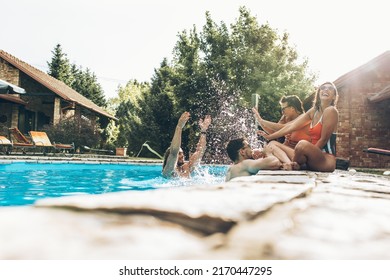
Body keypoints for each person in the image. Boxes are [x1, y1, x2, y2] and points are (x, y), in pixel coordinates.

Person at [257, 82, 339, 172]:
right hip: (308, 156)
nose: (326, 89)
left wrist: (307, 154)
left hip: (325, 159)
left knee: (302, 144)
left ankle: (294, 163)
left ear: (334, 97)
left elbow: (323, 140)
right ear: (319, 93)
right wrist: (269, 137)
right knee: (272, 144)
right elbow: (291, 126)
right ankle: (290, 163)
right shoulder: (314, 111)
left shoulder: (331, 111)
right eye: (323, 88)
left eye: (330, 88)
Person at [252, 95, 311, 168]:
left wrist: (261, 120)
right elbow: (274, 132)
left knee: (272, 144)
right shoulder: (285, 118)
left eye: (283, 109)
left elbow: (282, 127)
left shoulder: (303, 117)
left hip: (299, 156)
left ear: (292, 108)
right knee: (261, 153)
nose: (282, 111)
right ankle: (285, 164)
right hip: (285, 153)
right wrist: (259, 121)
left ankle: (289, 164)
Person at [162, 111, 211, 178]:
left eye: (182, 153)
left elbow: (200, 151)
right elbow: (174, 153)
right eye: (179, 153)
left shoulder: (186, 168)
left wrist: (203, 131)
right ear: (168, 157)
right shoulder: (168, 170)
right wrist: (179, 127)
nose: (182, 155)